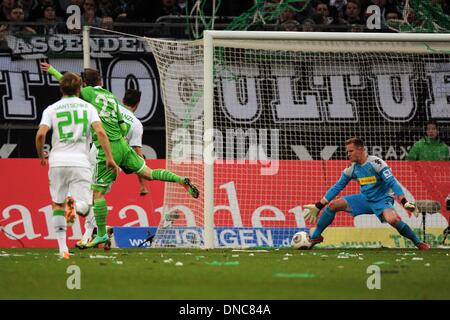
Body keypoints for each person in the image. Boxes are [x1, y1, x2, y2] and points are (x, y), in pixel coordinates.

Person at [40, 63, 199, 249]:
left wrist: (51, 70)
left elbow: (69, 84)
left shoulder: (88, 94)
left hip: (107, 150)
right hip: (123, 145)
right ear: (101, 81)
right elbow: (123, 126)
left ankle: (98, 235)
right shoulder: (110, 96)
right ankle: (180, 180)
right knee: (150, 172)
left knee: (96, 195)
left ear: (84, 84)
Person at [35, 72, 119, 259]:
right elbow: (100, 132)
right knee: (85, 205)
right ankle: (75, 209)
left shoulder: (52, 108)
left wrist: (41, 155)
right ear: (80, 88)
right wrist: (109, 158)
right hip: (80, 162)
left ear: (60, 88)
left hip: (57, 162)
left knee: (57, 204)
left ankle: (63, 249)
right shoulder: (88, 108)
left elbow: (41, 135)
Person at [303, 137, 431, 251]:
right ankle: (315, 238)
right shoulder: (352, 168)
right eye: (347, 151)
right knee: (332, 206)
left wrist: (405, 202)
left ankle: (418, 242)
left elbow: (393, 182)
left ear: (361, 149)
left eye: (351, 151)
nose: (348, 154)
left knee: (392, 220)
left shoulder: (376, 163)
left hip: (382, 199)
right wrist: (318, 205)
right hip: (365, 199)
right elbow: (337, 186)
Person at [76, 89, 148, 250]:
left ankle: (94, 233)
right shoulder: (136, 125)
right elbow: (138, 155)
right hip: (113, 161)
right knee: (93, 197)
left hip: (97, 153)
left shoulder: (112, 107)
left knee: (90, 197)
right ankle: (96, 233)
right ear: (137, 104)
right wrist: (142, 184)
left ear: (123, 99)